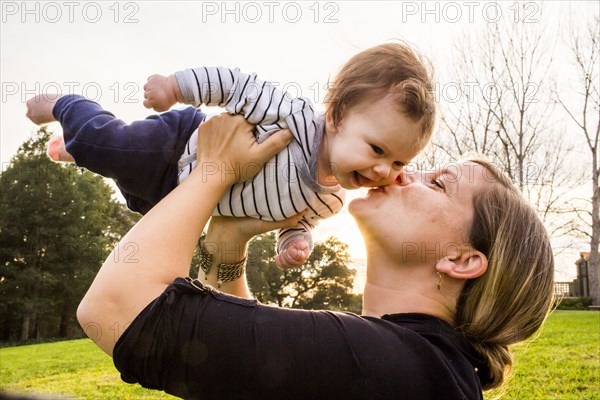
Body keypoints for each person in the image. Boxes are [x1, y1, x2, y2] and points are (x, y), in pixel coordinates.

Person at [70, 113, 554, 399]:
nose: (406, 174)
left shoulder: (393, 365)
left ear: (462, 260)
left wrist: (214, 169)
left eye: (439, 183)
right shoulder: (420, 367)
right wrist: (229, 243)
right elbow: (244, 358)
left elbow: (116, 309)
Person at [26, 42, 436, 272]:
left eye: (400, 163)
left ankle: (77, 150)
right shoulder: (291, 117)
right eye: (377, 149)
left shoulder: (330, 201)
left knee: (126, 186)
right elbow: (236, 84)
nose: (385, 170)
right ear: (337, 116)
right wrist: (175, 86)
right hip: (178, 145)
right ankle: (66, 105)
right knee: (110, 147)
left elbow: (296, 222)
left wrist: (295, 242)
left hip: (180, 195)